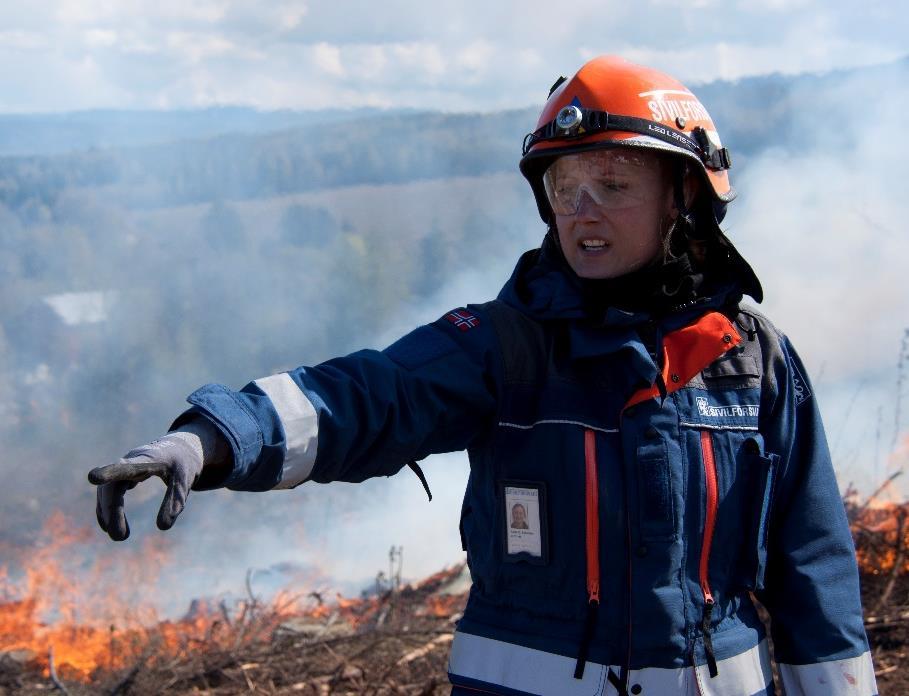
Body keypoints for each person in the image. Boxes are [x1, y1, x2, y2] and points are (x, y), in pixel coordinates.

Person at [89, 56, 876, 695]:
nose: (583, 210)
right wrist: (215, 438)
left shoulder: (752, 361)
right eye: (565, 189)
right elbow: (368, 395)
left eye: (613, 184)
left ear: (685, 200)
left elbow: (812, 567)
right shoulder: (503, 346)